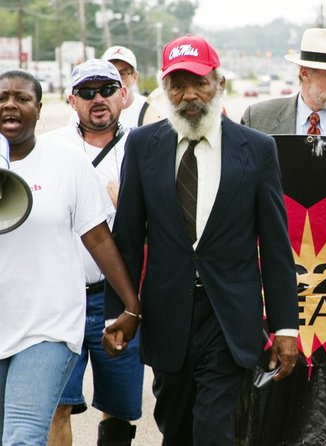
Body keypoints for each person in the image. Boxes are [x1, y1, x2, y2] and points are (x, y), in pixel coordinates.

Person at [103, 34, 299, 445]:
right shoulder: (142, 146)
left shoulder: (256, 149)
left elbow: (277, 246)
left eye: (199, 82)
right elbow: (127, 238)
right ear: (164, 89)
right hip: (168, 314)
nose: (189, 95)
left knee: (214, 428)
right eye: (178, 84)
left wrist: (285, 327)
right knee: (176, 427)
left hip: (229, 316)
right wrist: (119, 312)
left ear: (219, 83)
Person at [0, 70, 141, 445]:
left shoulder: (65, 162)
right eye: (2, 97)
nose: (10, 104)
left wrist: (131, 305)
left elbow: (98, 238)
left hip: (48, 325)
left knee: (22, 436)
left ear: (39, 109)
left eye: (22, 98)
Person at [43, 59, 143, 446]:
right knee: (57, 403)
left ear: (123, 94)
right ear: (71, 100)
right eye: (87, 92)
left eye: (106, 89)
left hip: (118, 298)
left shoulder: (144, 146)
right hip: (61, 297)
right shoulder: (50, 148)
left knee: (119, 409)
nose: (97, 99)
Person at [101, 45, 149, 129]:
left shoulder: (147, 109)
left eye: (122, 74)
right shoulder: (90, 108)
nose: (116, 79)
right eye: (110, 73)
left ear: (135, 77)